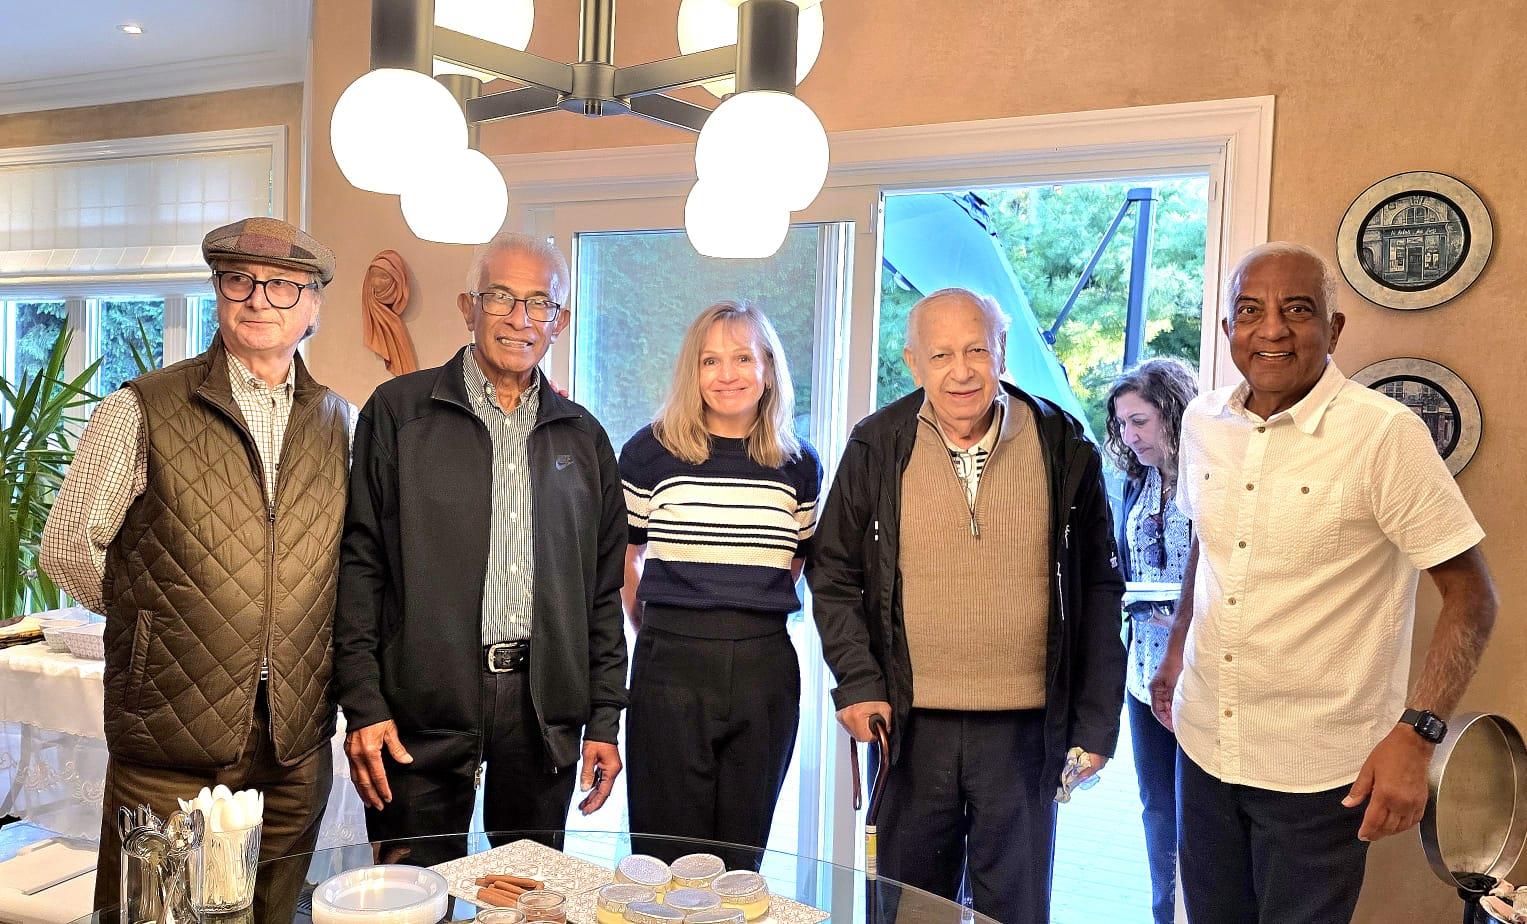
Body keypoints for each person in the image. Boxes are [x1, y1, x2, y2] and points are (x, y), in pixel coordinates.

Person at [1150, 242, 1498, 923]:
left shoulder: (1384, 435)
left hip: (1315, 770)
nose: (1272, 329)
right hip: (1204, 742)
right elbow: (1207, 542)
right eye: (1250, 311)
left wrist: (1417, 733)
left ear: (1333, 329)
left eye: (1297, 310)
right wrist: (1176, 649)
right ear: (1227, 329)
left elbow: (1471, 597)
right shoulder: (1202, 422)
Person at [40, 217, 350, 921]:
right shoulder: (140, 407)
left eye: (282, 285)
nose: (259, 299)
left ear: (313, 306)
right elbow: (67, 547)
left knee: (268, 913)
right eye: (239, 281)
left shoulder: (342, 421)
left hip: (294, 741)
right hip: (169, 739)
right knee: (157, 915)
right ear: (218, 292)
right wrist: (158, 628)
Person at [809, 287, 1125, 923]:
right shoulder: (877, 444)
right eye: (941, 354)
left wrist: (1095, 725)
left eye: (977, 350)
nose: (961, 371)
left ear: (1001, 351)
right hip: (909, 727)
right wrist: (858, 682)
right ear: (913, 363)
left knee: (1015, 910)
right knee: (909, 910)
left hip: (1025, 734)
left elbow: (1098, 590)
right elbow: (833, 570)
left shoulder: (1063, 445)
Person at [334, 231, 627, 863]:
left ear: (559, 322)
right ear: (469, 308)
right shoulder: (399, 413)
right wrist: (363, 703)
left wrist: (605, 717)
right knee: (410, 896)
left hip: (543, 714)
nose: (520, 319)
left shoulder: (584, 439)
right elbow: (360, 567)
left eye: (540, 303)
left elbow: (602, 595)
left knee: (527, 899)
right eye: (501, 297)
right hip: (418, 716)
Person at [619, 302, 821, 868]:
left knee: (739, 864)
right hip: (669, 668)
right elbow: (623, 556)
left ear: (769, 370)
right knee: (664, 863)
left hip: (765, 671)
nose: (727, 374)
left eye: (742, 358)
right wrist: (652, 623)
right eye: (710, 360)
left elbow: (794, 560)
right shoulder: (649, 453)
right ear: (693, 371)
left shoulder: (799, 464)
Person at [1103, 358, 1198, 924]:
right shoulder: (1135, 483)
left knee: (1199, 817)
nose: (1130, 435)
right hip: (1143, 678)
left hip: (1199, 676)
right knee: (1157, 812)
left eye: (1139, 421)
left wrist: (1183, 619)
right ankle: (1164, 914)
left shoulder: (1208, 480)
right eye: (1122, 424)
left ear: (1172, 413)